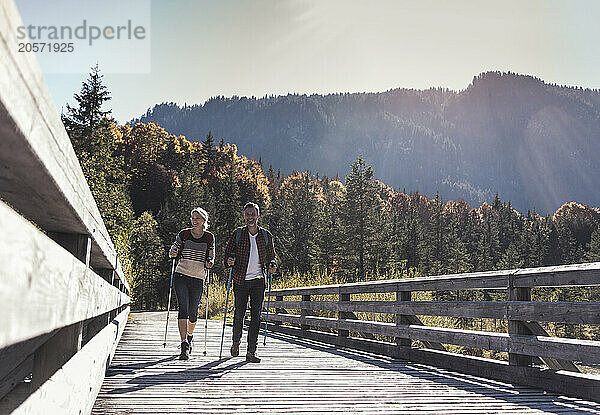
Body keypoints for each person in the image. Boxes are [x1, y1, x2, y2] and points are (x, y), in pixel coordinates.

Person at [224, 202, 277, 363]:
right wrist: (229, 260)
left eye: (253, 214)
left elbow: (272, 256)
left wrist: (273, 265)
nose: (250, 217)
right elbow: (227, 255)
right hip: (240, 280)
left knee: (256, 317)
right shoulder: (238, 234)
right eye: (247, 215)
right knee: (239, 314)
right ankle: (236, 342)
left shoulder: (266, 236)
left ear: (258, 216)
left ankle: (251, 351)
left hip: (258, 281)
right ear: (244, 216)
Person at [169, 207, 215, 360]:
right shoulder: (184, 234)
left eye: (197, 218)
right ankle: (183, 345)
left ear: (204, 221)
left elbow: (211, 257)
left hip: (198, 278)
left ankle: (189, 336)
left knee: (193, 314)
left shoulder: (209, 237)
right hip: (181, 275)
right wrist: (173, 252)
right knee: (183, 309)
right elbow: (174, 248)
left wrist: (210, 262)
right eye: (193, 217)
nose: (194, 220)